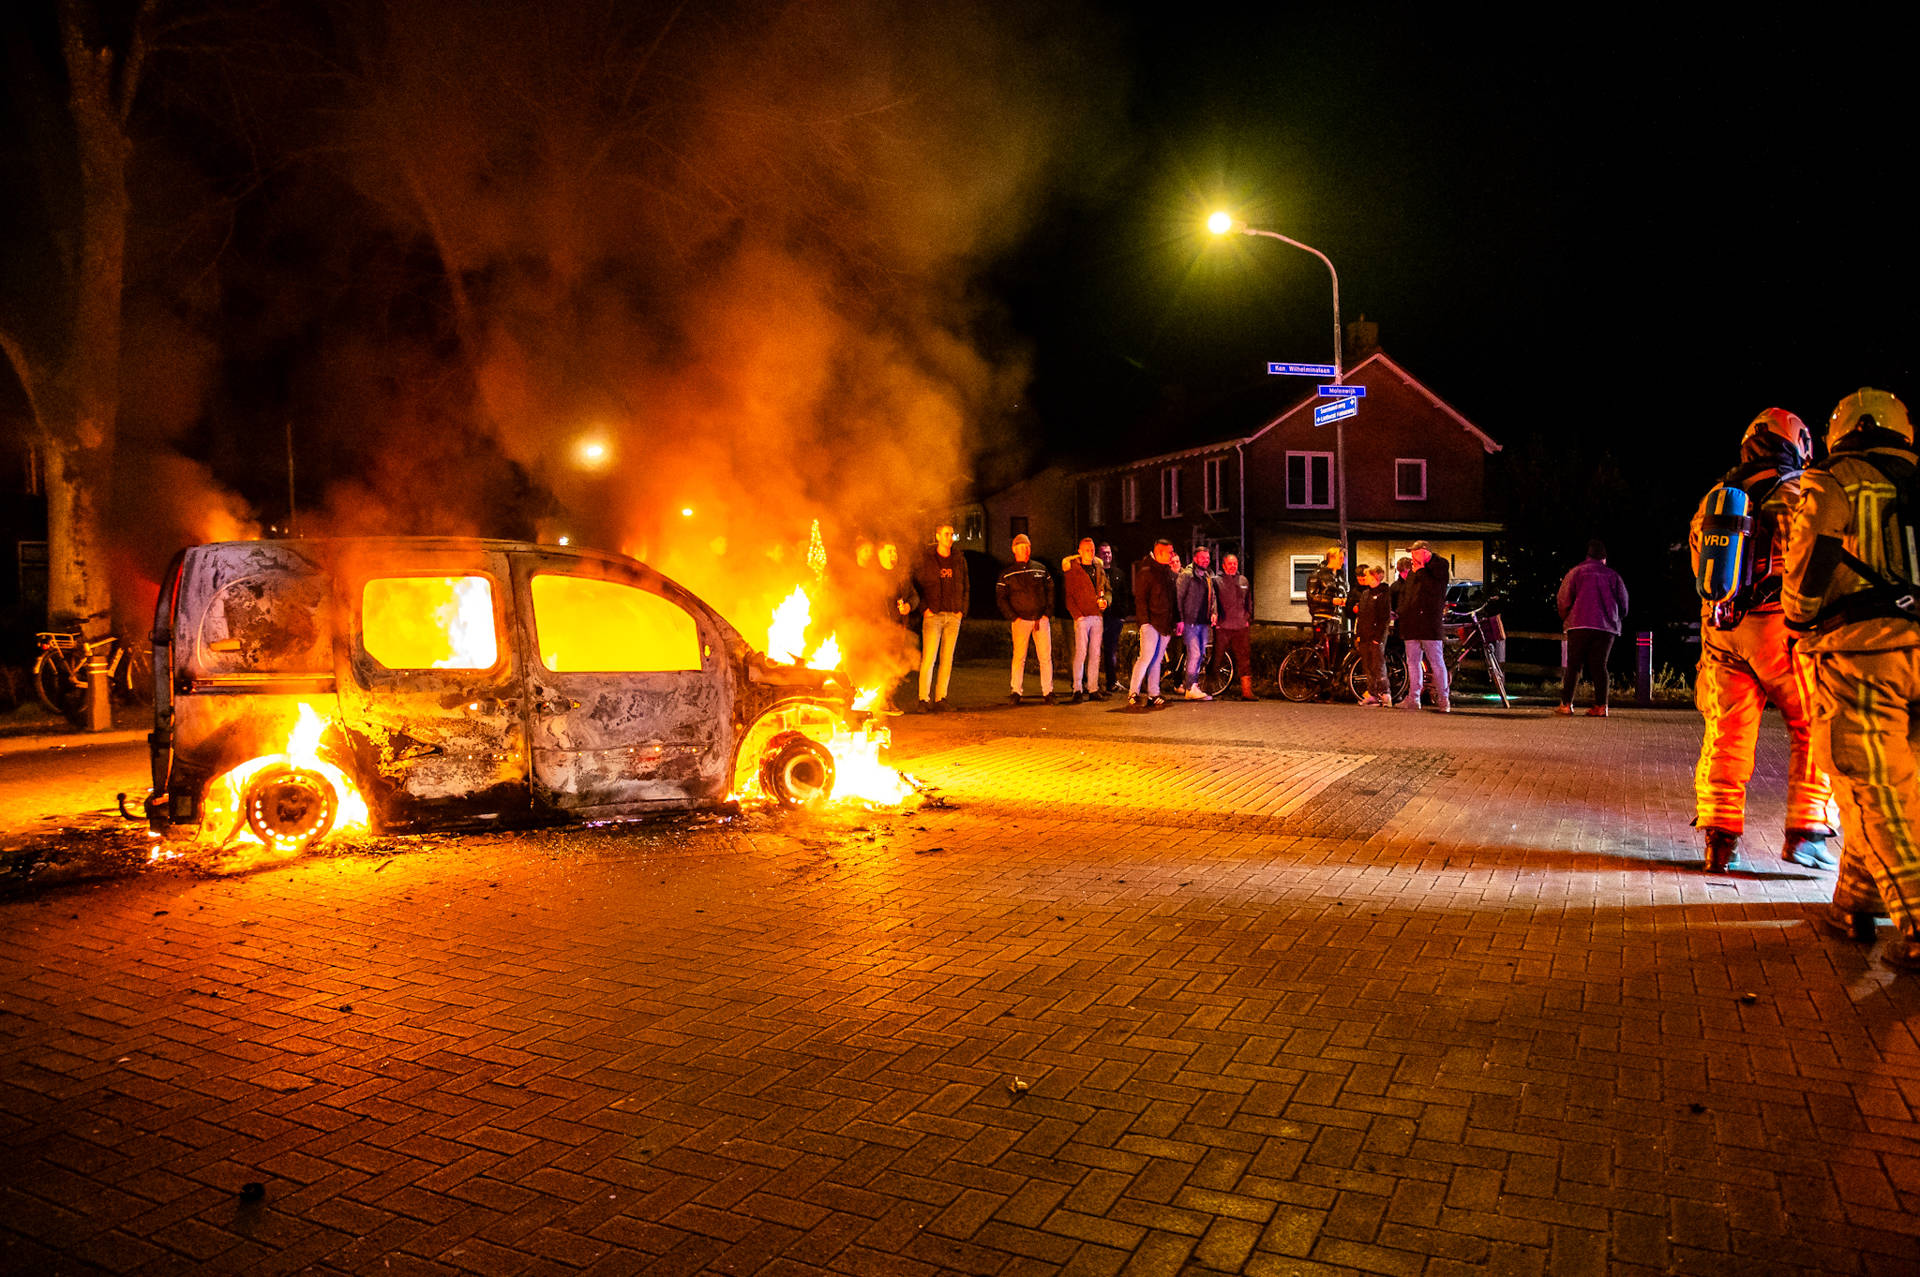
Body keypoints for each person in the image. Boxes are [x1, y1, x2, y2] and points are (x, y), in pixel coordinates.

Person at [1783, 387, 1920, 971]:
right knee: (1900, 779)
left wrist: (1797, 613)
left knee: (1872, 786)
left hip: (1864, 650)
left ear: (1841, 433)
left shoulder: (1836, 478)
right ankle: (1856, 901)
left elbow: (1814, 552)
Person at [1690, 408, 1837, 874]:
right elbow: (1812, 560)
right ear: (1796, 443)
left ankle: (1719, 836)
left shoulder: (1713, 501)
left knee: (1727, 732)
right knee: (1813, 724)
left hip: (1722, 631)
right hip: (1780, 631)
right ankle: (1808, 831)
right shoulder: (1796, 492)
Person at [1555, 539, 1630, 716]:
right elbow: (1624, 604)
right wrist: (1617, 616)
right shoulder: (1613, 576)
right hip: (1606, 627)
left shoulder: (1576, 572)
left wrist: (1566, 616)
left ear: (1587, 556)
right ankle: (1601, 706)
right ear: (1604, 559)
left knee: (1573, 665)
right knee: (1600, 666)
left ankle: (1566, 705)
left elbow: (1563, 598)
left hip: (1579, 624)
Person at [910, 523, 968, 712]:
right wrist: (924, 609)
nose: (949, 538)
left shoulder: (959, 559)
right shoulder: (927, 559)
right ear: (937, 536)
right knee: (929, 658)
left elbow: (966, 585)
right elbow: (917, 584)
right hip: (933, 615)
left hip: (953, 614)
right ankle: (923, 699)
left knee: (947, 658)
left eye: (952, 534)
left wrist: (961, 610)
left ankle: (941, 697)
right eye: (946, 534)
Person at [997, 533, 1056, 704]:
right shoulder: (1007, 574)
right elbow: (1001, 598)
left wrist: (1047, 614)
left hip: (1040, 620)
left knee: (1045, 657)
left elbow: (1050, 591)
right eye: (1023, 547)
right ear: (1014, 549)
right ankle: (1016, 691)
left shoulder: (1040, 569)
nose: (1027, 550)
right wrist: (1013, 617)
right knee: (1019, 657)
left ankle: (1048, 691)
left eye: (1028, 547)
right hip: (1021, 620)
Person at [1398, 541, 1450, 711]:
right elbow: (1408, 594)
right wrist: (1401, 612)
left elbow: (1435, 590)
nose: (1412, 556)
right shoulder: (1413, 571)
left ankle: (1443, 698)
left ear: (1424, 551)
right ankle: (1414, 698)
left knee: (1436, 661)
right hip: (1412, 623)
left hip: (1429, 623)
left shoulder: (1439, 566)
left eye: (1415, 552)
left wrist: (1421, 571)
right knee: (1412, 662)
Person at [1129, 539, 1179, 709]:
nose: (1172, 555)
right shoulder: (1146, 571)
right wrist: (1144, 622)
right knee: (1145, 658)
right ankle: (1133, 692)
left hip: (1165, 623)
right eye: (1169, 552)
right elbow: (1141, 599)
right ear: (1158, 553)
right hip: (1151, 623)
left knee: (1156, 660)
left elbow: (1173, 599)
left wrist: (1176, 620)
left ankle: (1153, 693)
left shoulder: (1167, 572)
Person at [1061, 536, 1110, 703]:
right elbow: (1069, 596)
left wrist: (1105, 602)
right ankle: (1077, 688)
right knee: (1081, 653)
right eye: (1087, 550)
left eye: (1092, 550)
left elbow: (1105, 589)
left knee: (1095, 654)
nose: (1090, 553)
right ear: (1080, 552)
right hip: (1082, 617)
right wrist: (1078, 615)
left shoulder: (1098, 568)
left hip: (1097, 615)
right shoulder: (1073, 570)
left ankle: (1093, 687)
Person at [1176, 546, 1220, 700]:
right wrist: (1180, 619)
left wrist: (1214, 612)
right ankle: (1190, 687)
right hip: (1190, 621)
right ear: (1195, 558)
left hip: (1203, 622)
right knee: (1194, 653)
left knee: (1200, 654)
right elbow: (1179, 597)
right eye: (1202, 558)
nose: (1205, 560)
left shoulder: (1207, 575)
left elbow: (1212, 595)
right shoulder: (1187, 575)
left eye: (1207, 558)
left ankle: (1190, 685)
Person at [1214, 553, 1256, 701]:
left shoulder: (1243, 580)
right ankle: (1210, 689)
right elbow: (1213, 601)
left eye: (1235, 563)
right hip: (1223, 627)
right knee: (1217, 658)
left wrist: (1247, 618)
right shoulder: (1216, 581)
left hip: (1240, 626)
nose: (1233, 566)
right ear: (1224, 565)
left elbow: (1249, 601)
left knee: (1244, 659)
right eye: (1230, 564)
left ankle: (1246, 692)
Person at [1350, 564, 1393, 705]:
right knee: (1368, 665)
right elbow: (1362, 617)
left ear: (1375, 577)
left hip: (1375, 636)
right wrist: (1359, 635)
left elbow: (1384, 618)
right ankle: (1373, 693)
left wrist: (1378, 637)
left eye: (1367, 575)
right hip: (1365, 636)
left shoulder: (1383, 594)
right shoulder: (1365, 594)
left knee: (1378, 665)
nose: (1364, 578)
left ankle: (1385, 693)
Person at [1099, 542, 1130, 696]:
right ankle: (1091, 683)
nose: (1107, 556)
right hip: (1099, 618)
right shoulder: (1096, 573)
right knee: (1095, 651)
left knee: (1111, 651)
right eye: (1104, 553)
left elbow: (1125, 594)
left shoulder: (1118, 573)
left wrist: (1122, 615)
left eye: (1109, 553)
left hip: (1114, 619)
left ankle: (1111, 681)